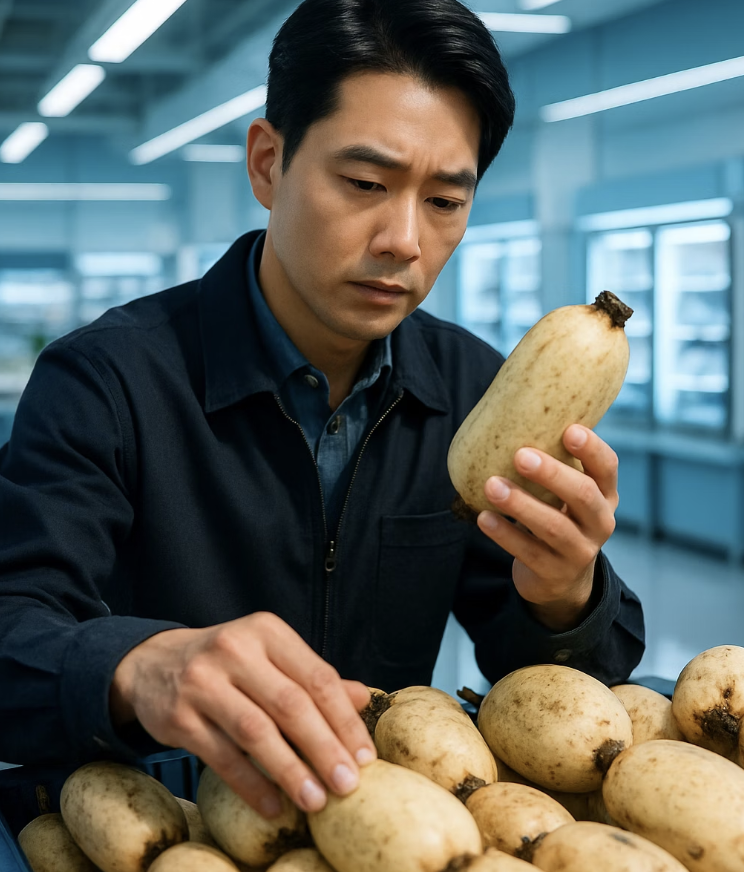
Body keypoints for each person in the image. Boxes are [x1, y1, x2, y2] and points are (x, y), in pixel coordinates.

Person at [0, 0, 644, 822]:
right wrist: (140, 666)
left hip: (387, 825)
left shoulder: (475, 389)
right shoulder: (105, 380)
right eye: (366, 183)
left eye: (445, 201)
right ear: (268, 163)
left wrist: (564, 597)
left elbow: (552, 688)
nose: (403, 239)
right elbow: (13, 623)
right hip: (163, 824)